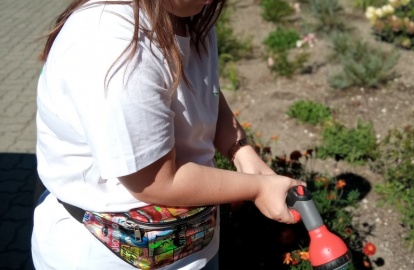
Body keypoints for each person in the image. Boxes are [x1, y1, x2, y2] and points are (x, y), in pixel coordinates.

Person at [31, 0, 304, 269]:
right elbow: (156, 181)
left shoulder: (189, 11)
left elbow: (205, 90)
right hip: (108, 257)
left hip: (192, 244)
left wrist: (241, 152)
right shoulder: (114, 45)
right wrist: (257, 188)